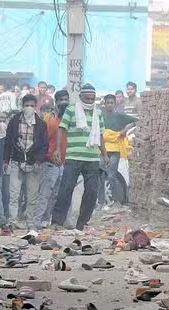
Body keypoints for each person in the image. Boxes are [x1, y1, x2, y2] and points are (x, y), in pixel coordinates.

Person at [51, 84, 107, 231]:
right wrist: (57, 149)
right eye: (87, 98)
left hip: (92, 158)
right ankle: (57, 222)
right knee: (65, 190)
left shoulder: (98, 113)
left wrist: (105, 154)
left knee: (92, 192)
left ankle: (82, 224)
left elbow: (101, 135)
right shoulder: (70, 110)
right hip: (73, 156)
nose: (89, 101)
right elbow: (61, 129)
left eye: (92, 98)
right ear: (81, 97)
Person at [3, 94, 48, 226]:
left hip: (33, 163)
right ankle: (12, 221)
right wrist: (5, 160)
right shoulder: (14, 121)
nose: (29, 108)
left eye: (32, 106)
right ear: (22, 106)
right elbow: (8, 142)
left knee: (32, 196)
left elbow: (44, 145)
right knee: (14, 194)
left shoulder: (40, 124)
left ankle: (30, 221)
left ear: (35, 107)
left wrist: (39, 161)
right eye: (27, 105)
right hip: (16, 161)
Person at [33, 90, 69, 229]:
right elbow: (44, 142)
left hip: (63, 164)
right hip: (51, 163)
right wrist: (48, 157)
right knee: (45, 194)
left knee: (55, 195)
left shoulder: (68, 125)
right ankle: (37, 221)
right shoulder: (52, 123)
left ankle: (46, 220)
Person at [98, 94, 136, 207]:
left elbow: (135, 121)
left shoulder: (119, 116)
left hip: (115, 150)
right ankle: (100, 202)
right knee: (100, 176)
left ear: (115, 104)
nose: (109, 105)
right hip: (101, 149)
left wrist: (125, 129)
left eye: (111, 103)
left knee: (111, 176)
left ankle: (115, 201)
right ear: (104, 104)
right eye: (107, 103)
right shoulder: (101, 116)